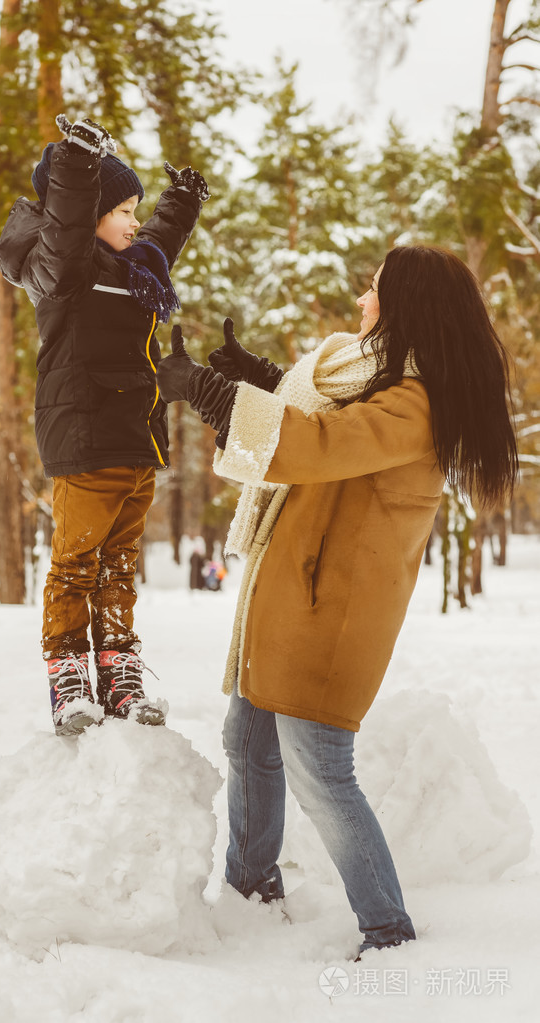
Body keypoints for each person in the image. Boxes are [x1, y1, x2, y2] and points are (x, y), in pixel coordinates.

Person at [157, 245, 518, 956]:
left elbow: (321, 442)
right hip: (293, 594)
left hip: (331, 612)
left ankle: (387, 931)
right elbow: (324, 414)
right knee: (247, 740)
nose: (361, 301)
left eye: (373, 291)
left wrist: (210, 392)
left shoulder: (417, 403)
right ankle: (250, 888)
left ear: (406, 307)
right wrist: (258, 375)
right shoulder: (386, 383)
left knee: (320, 770)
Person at [0, 114, 209, 735]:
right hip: (86, 439)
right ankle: (68, 674)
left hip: (137, 439)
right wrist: (76, 162)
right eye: (123, 210)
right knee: (75, 563)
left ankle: (117, 666)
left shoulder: (134, 268)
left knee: (118, 562)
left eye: (137, 209)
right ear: (89, 211)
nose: (135, 221)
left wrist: (183, 201)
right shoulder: (64, 270)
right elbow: (64, 227)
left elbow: (160, 241)